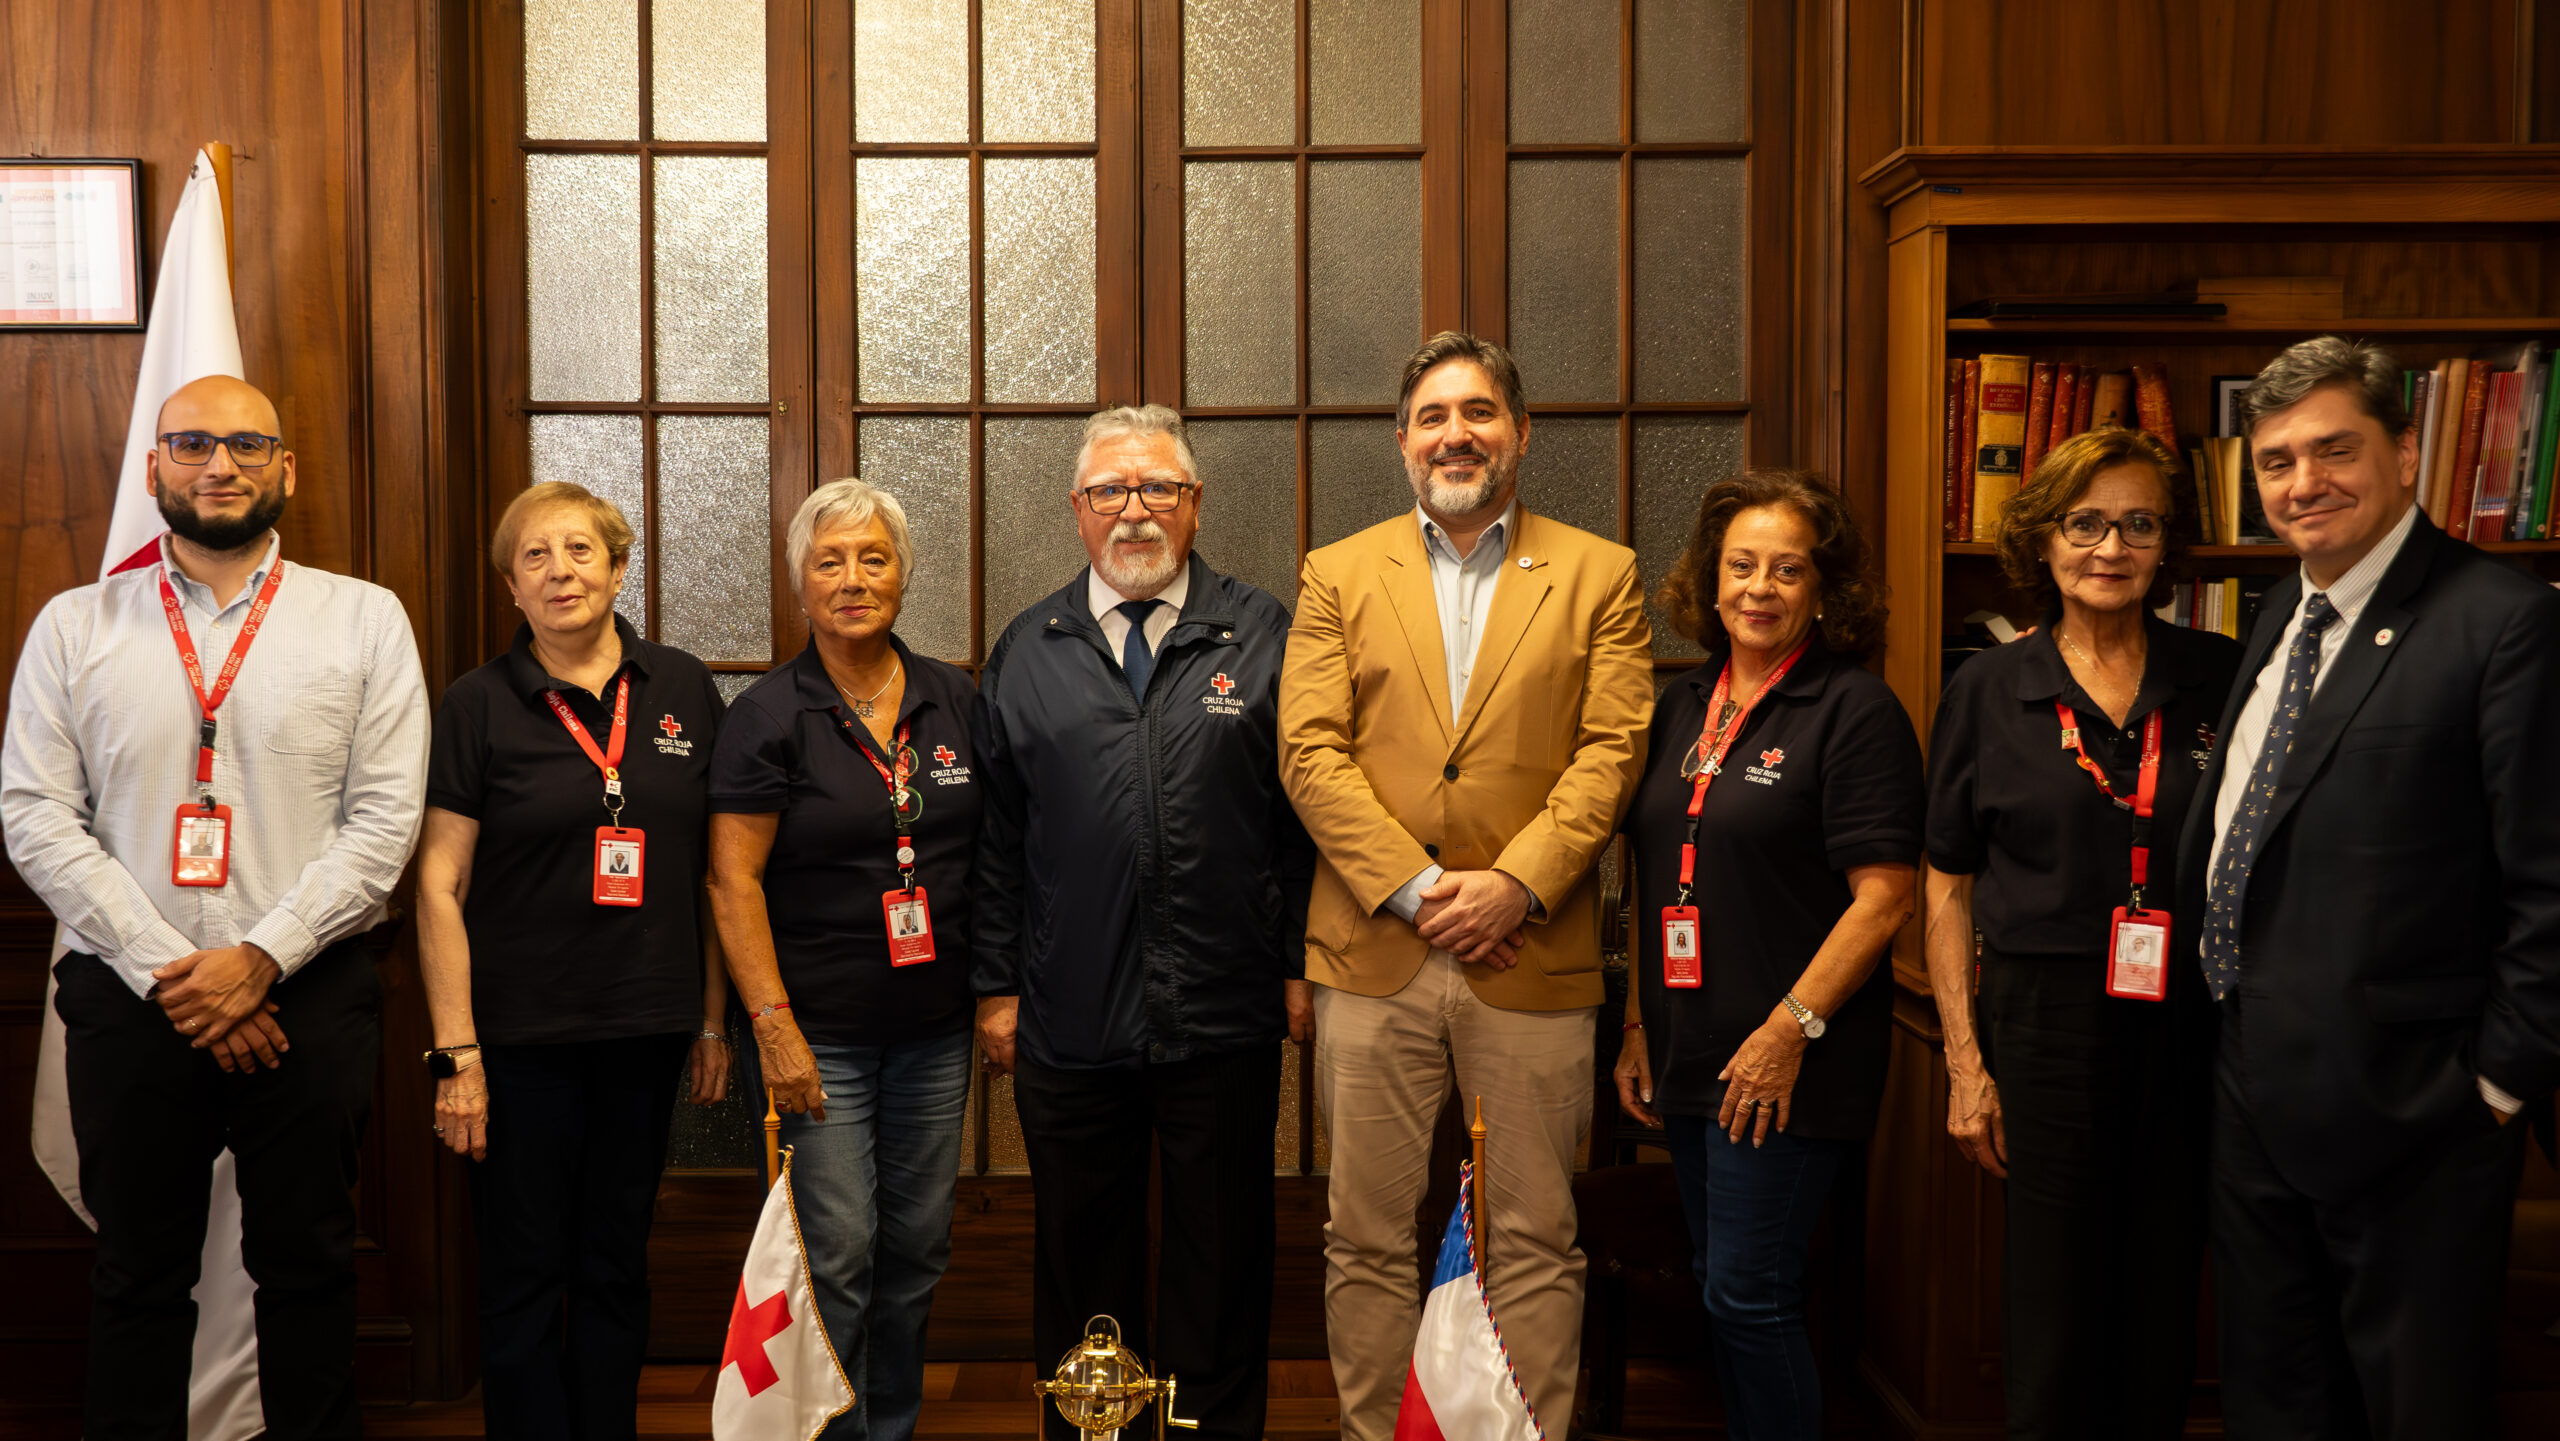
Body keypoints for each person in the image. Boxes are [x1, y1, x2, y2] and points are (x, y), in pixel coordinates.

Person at [0, 375, 428, 1440]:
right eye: (191, 443)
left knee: (310, 1269)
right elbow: (36, 814)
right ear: (153, 470)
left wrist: (262, 958)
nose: (220, 464)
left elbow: (382, 825)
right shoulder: (74, 625)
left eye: (246, 444)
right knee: (137, 1274)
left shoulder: (365, 619)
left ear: (287, 468)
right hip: (129, 996)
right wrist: (171, 968)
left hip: (310, 996)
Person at [2180, 336, 2560, 1439]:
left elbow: (2549, 883)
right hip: (2247, 1087)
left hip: (2417, 1116)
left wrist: (2493, 1088)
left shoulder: (2502, 623)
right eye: (2276, 461)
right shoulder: (2274, 614)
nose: (2303, 484)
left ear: (2404, 452)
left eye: (2334, 450)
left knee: (2412, 1411)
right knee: (2275, 1401)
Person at [1280, 332, 1653, 1438]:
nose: (1457, 433)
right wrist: (1414, 886)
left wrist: (1516, 886)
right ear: (1402, 442)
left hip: (1531, 951)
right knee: (1366, 1235)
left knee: (1535, 1235)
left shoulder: (1601, 573)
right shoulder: (1336, 573)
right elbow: (1308, 751)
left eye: (1479, 411)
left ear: (1520, 434)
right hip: (1373, 948)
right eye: (1433, 415)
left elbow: (1613, 750)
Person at [970, 405, 1314, 1441]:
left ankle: (1214, 1429)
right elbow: (995, 835)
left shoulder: (1263, 631)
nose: (1135, 509)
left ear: (1195, 502)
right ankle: (1095, 1434)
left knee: (1221, 1254)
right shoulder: (1028, 646)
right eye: (1112, 491)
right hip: (1069, 1012)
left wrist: (1298, 964)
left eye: (1157, 487)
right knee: (1084, 1255)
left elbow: (1303, 822)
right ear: (1076, 511)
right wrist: (995, 987)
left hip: (1224, 1008)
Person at [1921, 429, 2237, 1439]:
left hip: (2191, 1023)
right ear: (2044, 541)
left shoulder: (2222, 673)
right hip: (2042, 1025)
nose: (2111, 546)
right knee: (2053, 1303)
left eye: (2137, 524)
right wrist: (1966, 1064)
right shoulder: (1985, 687)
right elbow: (1946, 885)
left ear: (2164, 544)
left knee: (2161, 1290)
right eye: (2085, 523)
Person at [413, 482, 732, 1440]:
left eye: (581, 550)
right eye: (536, 557)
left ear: (620, 566)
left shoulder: (681, 687)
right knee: (521, 1272)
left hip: (646, 1027)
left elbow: (711, 871)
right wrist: (456, 1054)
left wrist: (712, 1018)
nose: (561, 571)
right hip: (518, 1040)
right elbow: (438, 885)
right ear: (511, 586)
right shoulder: (476, 703)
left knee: (615, 1262)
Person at [1608, 470, 1920, 1441]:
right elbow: (1653, 870)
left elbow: (1885, 898)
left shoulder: (1854, 710)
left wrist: (1789, 1029)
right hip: (1687, 1048)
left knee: (1750, 1294)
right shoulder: (1682, 704)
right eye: (1741, 565)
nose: (1760, 587)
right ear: (1710, 581)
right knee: (1720, 1288)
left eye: (1788, 570)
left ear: (1823, 591)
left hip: (1786, 1063)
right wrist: (1634, 1026)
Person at [709, 478, 980, 1441]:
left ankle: (889, 1428)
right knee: (840, 1251)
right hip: (815, 1034)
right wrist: (772, 1028)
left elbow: (987, 856)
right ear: (801, 584)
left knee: (916, 1250)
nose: (854, 578)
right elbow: (732, 881)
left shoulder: (954, 697)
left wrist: (994, 996)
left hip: (935, 1033)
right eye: (831, 561)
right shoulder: (769, 715)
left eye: (874, 558)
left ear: (903, 573)